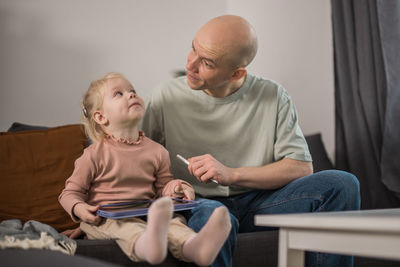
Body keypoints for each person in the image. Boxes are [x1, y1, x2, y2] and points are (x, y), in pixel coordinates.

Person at [141, 15, 361, 267]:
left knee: (343, 184)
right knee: (214, 216)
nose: (190, 64)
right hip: (199, 202)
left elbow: (301, 167)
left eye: (207, 62)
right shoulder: (164, 97)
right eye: (193, 48)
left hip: (262, 202)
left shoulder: (273, 95)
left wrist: (231, 174)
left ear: (236, 73)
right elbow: (136, 160)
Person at [58, 72, 232, 266]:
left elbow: (163, 189)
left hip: (147, 213)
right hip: (106, 218)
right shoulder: (93, 155)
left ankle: (195, 248)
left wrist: (177, 187)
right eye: (119, 94)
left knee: (174, 221)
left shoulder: (157, 151)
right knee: (125, 227)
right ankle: (149, 246)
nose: (131, 95)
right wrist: (80, 209)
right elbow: (69, 194)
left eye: (132, 91)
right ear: (101, 116)